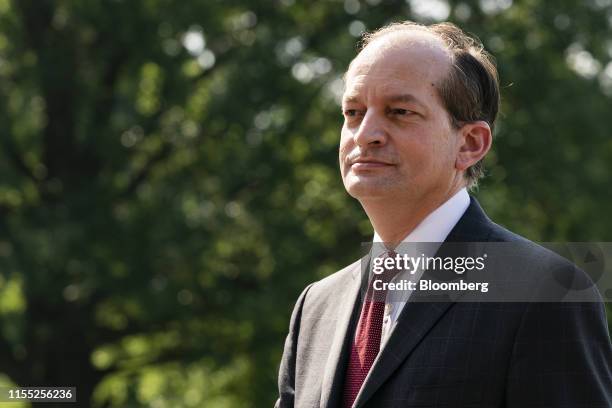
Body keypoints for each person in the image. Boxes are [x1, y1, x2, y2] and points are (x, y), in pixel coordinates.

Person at [275, 21, 612, 408]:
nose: (365, 133)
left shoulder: (546, 293)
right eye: (352, 111)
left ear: (470, 144)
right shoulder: (316, 307)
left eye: (399, 111)